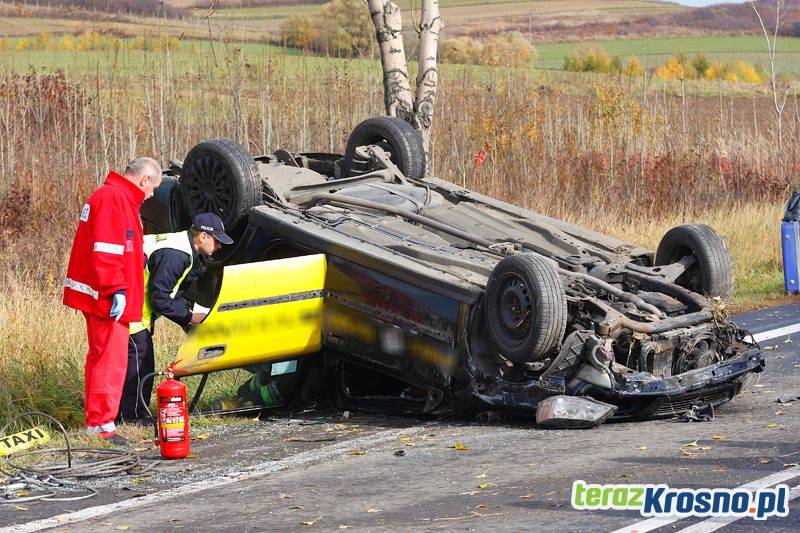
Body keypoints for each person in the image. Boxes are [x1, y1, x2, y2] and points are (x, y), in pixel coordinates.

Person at [63, 158, 162, 445]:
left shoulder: (114, 196)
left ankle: (97, 423)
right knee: (110, 361)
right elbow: (105, 249)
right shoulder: (114, 198)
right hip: (106, 297)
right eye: (152, 187)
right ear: (143, 179)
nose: (152, 194)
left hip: (104, 294)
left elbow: (121, 245)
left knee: (102, 358)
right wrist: (116, 287)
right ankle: (102, 425)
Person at [118, 212, 234, 423]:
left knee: (137, 362)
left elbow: (170, 293)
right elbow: (160, 298)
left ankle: (129, 414)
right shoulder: (177, 255)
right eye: (217, 240)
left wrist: (188, 315)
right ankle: (132, 418)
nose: (219, 247)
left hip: (132, 308)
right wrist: (189, 317)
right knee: (140, 361)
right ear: (203, 236)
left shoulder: (182, 247)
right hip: (128, 309)